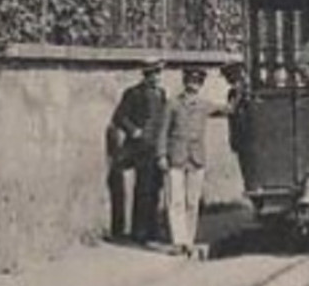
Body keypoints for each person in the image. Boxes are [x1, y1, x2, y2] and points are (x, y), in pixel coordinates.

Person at [106, 58, 168, 242]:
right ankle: (139, 231)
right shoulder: (133, 93)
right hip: (141, 148)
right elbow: (119, 117)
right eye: (152, 74)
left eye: (158, 73)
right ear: (145, 75)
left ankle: (153, 229)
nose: (156, 77)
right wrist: (134, 131)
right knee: (143, 189)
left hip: (157, 147)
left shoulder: (162, 93)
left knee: (156, 188)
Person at [157, 66, 215, 256]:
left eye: (198, 82)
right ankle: (178, 241)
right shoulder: (172, 104)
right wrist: (162, 155)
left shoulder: (204, 105)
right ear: (185, 83)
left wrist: (239, 89)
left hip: (196, 158)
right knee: (175, 201)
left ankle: (189, 240)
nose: (194, 85)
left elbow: (227, 109)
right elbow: (163, 131)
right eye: (191, 81)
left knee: (192, 201)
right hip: (176, 157)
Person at [217, 54, 253, 192]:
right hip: (240, 136)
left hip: (247, 135)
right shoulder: (235, 91)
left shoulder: (242, 90)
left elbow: (231, 109)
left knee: (249, 168)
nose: (227, 79)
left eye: (229, 75)